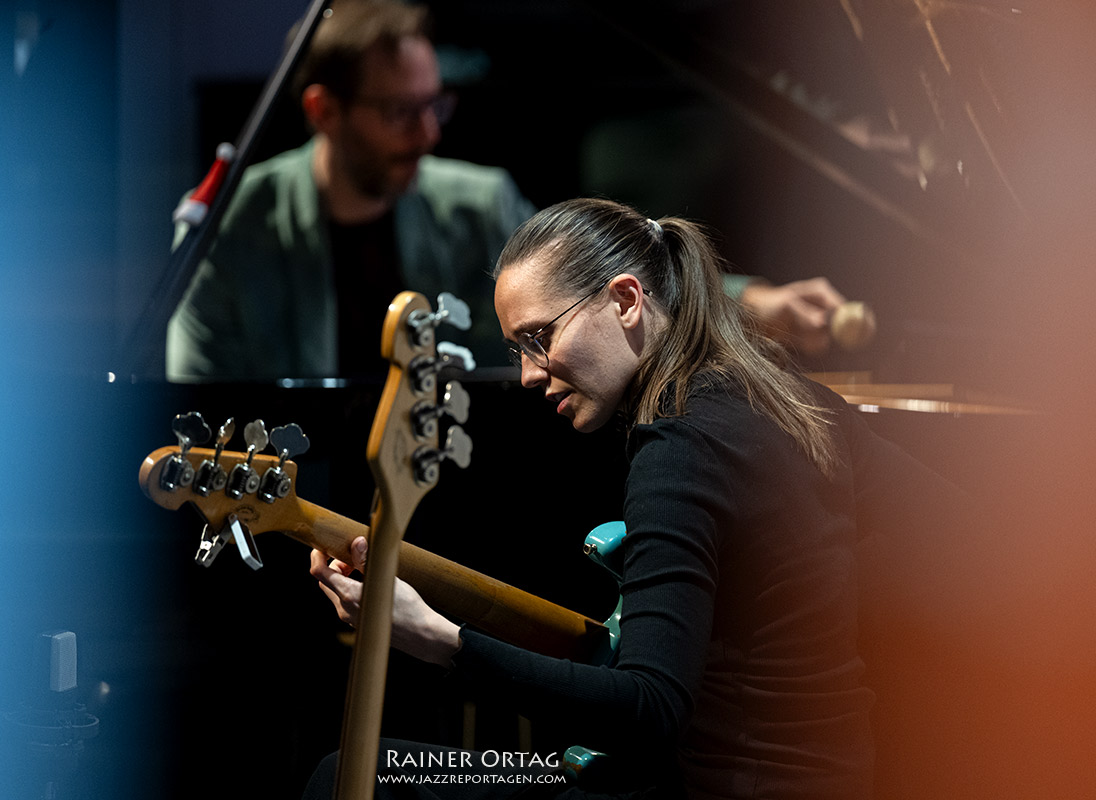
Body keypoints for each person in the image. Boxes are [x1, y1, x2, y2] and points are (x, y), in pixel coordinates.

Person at [306, 198, 969, 798]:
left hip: (702, 782)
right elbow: (967, 535)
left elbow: (647, 708)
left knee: (364, 776)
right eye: (516, 348)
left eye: (540, 337)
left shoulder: (680, 447)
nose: (530, 374)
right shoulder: (791, 396)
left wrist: (438, 638)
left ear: (626, 299)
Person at [166, 0, 849, 382]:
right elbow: (190, 397)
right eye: (401, 112)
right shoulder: (232, 226)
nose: (428, 134)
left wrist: (756, 302)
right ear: (323, 112)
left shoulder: (475, 200)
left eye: (437, 105)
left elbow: (609, 278)